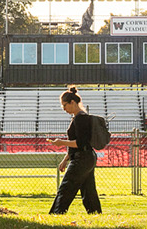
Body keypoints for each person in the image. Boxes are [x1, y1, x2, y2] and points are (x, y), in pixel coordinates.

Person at [47, 86, 101, 214]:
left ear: (72, 102)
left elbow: (80, 143)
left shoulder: (80, 118)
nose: (63, 108)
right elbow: (79, 143)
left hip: (82, 158)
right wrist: (65, 159)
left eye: (64, 105)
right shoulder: (81, 117)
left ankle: (56, 213)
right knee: (88, 190)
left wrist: (61, 143)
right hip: (87, 157)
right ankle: (95, 213)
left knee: (66, 187)